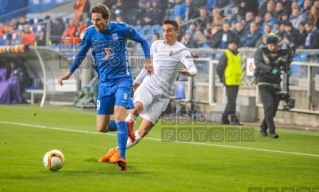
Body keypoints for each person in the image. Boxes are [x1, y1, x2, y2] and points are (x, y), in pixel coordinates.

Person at [58, 4, 152, 171]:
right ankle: (126, 126)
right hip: (104, 83)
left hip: (122, 80)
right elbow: (81, 54)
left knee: (119, 113)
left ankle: (122, 156)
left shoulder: (122, 29)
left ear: (107, 19)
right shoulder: (90, 33)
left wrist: (148, 61)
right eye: (93, 20)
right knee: (102, 127)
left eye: (99, 20)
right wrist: (69, 73)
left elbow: (143, 40)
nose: (96, 23)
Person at [99, 19, 198, 163]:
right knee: (136, 108)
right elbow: (148, 66)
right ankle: (121, 144)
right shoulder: (155, 45)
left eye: (169, 30)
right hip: (149, 85)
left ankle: (115, 150)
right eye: (164, 30)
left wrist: (190, 73)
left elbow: (193, 68)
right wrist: (137, 82)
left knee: (143, 131)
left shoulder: (182, 50)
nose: (166, 33)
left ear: (177, 32)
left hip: (164, 95)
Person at [254, 33, 293, 138]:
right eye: (271, 45)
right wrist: (270, 69)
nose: (273, 47)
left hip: (276, 84)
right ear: (267, 44)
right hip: (264, 83)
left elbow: (284, 64)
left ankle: (263, 128)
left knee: (273, 109)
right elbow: (258, 63)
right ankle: (272, 131)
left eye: (275, 45)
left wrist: (287, 69)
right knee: (269, 106)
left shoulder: (280, 53)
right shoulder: (260, 51)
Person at [216, 39, 243, 125]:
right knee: (232, 102)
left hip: (236, 81)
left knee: (231, 101)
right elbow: (219, 68)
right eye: (231, 43)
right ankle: (234, 120)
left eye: (234, 43)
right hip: (229, 81)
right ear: (228, 45)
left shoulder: (238, 54)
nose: (233, 45)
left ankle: (224, 118)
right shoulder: (226, 54)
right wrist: (222, 78)